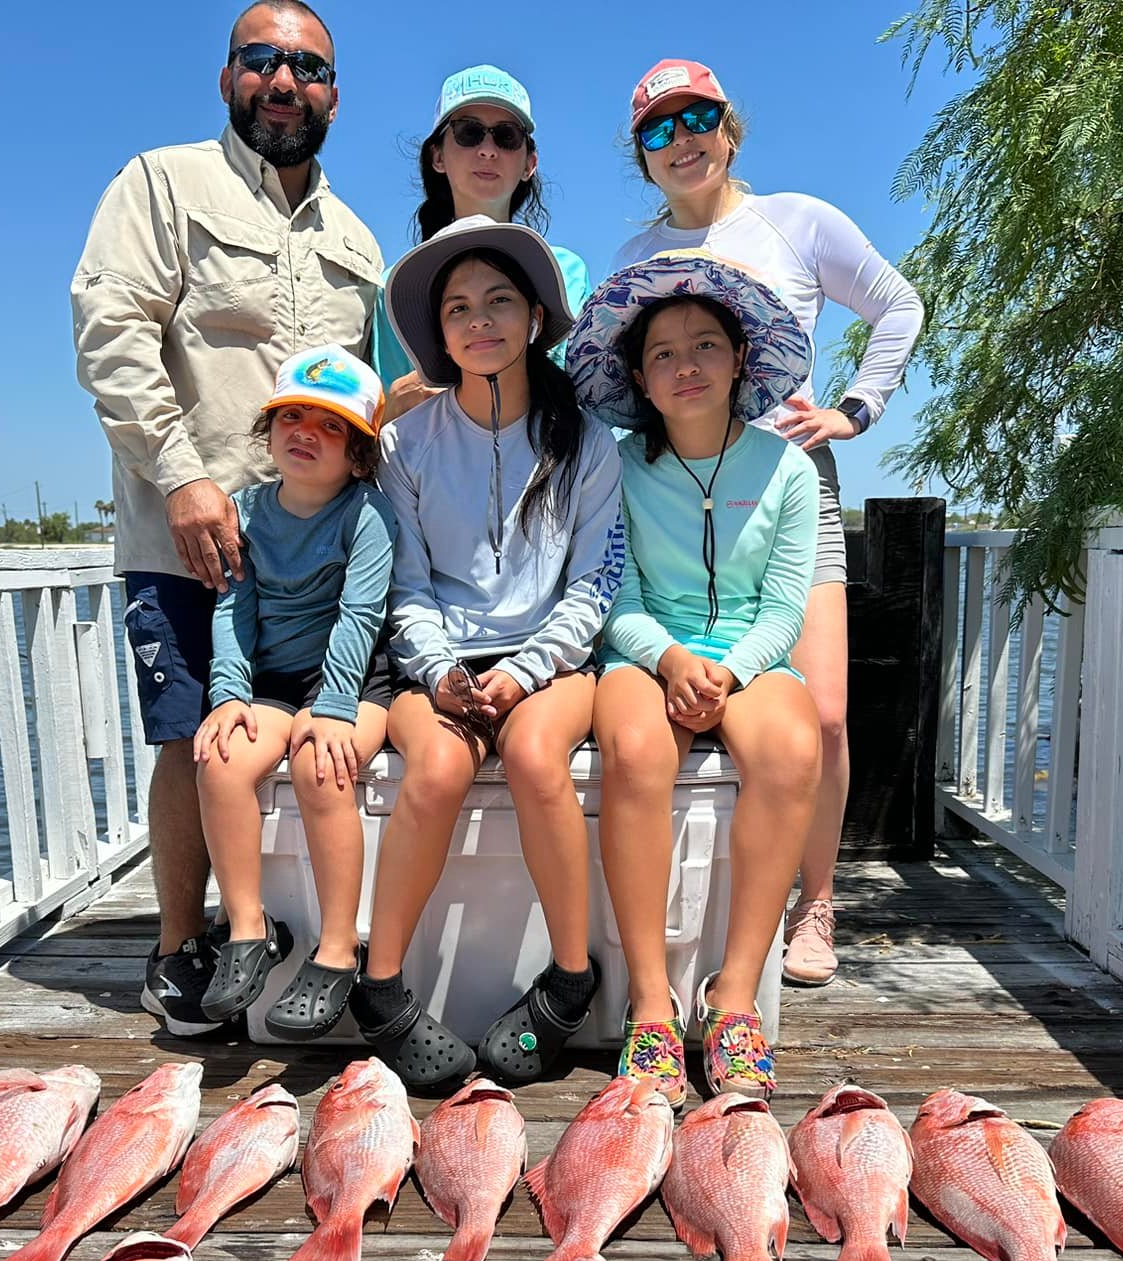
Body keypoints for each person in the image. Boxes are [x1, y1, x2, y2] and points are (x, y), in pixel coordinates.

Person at [70, 0, 382, 1031]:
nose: (284, 82)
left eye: (308, 67)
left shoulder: (357, 240)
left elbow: (369, 399)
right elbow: (111, 334)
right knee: (189, 737)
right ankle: (178, 945)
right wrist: (182, 477)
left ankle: (293, 927)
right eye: (261, 60)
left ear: (333, 94)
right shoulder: (161, 183)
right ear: (227, 77)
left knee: (311, 733)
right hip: (187, 535)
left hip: (314, 552)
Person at [614, 58, 925, 988]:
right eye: (658, 130)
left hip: (790, 484)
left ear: (730, 127)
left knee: (823, 713)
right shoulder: (637, 255)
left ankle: (815, 900)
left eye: (698, 118)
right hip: (675, 492)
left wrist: (856, 410)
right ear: (641, 155)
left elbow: (898, 304)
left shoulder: (799, 219)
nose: (682, 141)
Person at [354, 215, 626, 1091]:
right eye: (459, 308)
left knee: (539, 756)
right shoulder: (404, 443)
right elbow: (406, 585)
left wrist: (523, 671)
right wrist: (440, 671)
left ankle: (570, 979)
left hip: (551, 661)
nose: (480, 321)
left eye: (500, 301)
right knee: (436, 769)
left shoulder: (585, 438)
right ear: (438, 334)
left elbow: (594, 582)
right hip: (435, 662)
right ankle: (381, 988)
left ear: (536, 316)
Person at [565, 251, 822, 1105]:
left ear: (740, 359)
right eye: (664, 353)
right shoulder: (615, 465)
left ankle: (734, 997)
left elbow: (783, 609)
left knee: (793, 748)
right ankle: (649, 1001)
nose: (687, 366)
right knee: (637, 750)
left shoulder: (786, 468)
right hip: (645, 651)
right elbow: (615, 600)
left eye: (706, 345)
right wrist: (671, 660)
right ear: (638, 377)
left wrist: (729, 669)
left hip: (751, 654)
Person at [190, 346, 395, 1039]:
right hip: (274, 681)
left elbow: (360, 615)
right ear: (269, 431)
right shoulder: (245, 511)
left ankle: (338, 947)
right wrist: (228, 696)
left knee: (321, 767)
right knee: (221, 763)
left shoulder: (366, 513)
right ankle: (248, 929)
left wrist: (334, 707)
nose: (306, 433)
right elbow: (231, 609)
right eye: (292, 417)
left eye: (331, 426)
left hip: (355, 680)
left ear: (359, 455)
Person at [373, 66, 591, 424]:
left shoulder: (568, 273)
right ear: (437, 156)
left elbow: (585, 401)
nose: (488, 150)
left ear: (530, 163)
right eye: (469, 133)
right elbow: (385, 418)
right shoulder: (394, 287)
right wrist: (391, 410)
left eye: (506, 136)